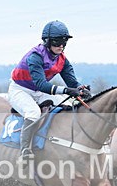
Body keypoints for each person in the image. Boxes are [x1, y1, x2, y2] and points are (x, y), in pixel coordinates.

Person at [9, 20, 90, 161]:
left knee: (67, 107)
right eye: (57, 42)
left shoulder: (62, 59)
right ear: (47, 41)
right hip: (20, 90)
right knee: (33, 113)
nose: (61, 46)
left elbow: (72, 82)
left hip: (39, 92)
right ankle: (25, 150)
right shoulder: (35, 56)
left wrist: (81, 89)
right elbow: (41, 84)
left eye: (64, 42)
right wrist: (66, 90)